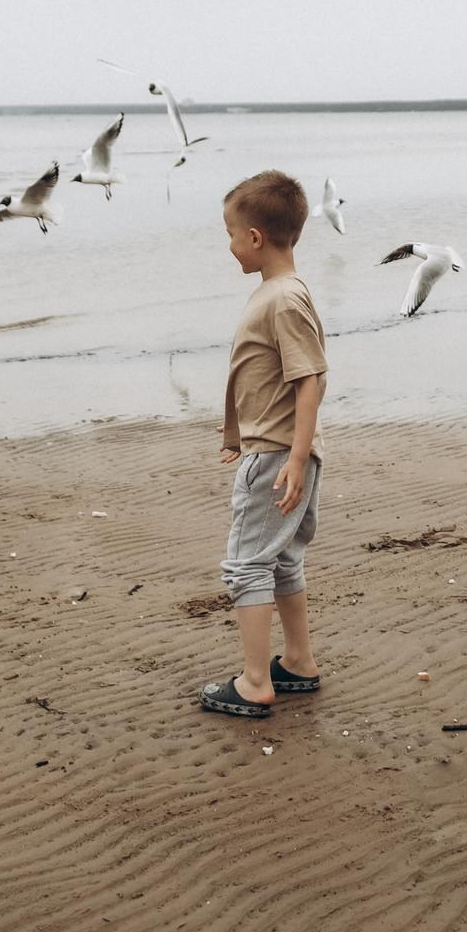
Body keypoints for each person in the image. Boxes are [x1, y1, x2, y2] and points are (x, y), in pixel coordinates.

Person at [198, 171, 329, 720]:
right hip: (279, 449)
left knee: (247, 565)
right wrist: (239, 437)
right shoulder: (281, 294)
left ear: (254, 237)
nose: (229, 246)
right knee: (281, 561)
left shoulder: (282, 300)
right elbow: (263, 378)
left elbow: (310, 378)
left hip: (280, 458)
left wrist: (292, 457)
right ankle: (297, 661)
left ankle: (255, 682)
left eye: (231, 235)